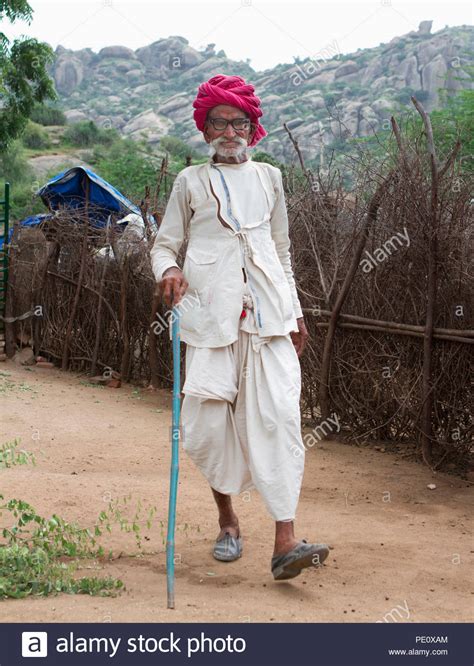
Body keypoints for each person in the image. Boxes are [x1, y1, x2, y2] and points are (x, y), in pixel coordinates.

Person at [151, 74, 329, 580]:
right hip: (209, 317)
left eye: (239, 122)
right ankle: (228, 522)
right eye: (219, 122)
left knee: (278, 418)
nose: (230, 131)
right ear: (205, 129)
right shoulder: (189, 182)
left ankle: (285, 540)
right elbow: (165, 245)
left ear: (254, 129)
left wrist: (294, 311)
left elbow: (282, 251)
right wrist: (168, 270)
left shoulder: (271, 179)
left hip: (270, 315)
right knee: (209, 423)